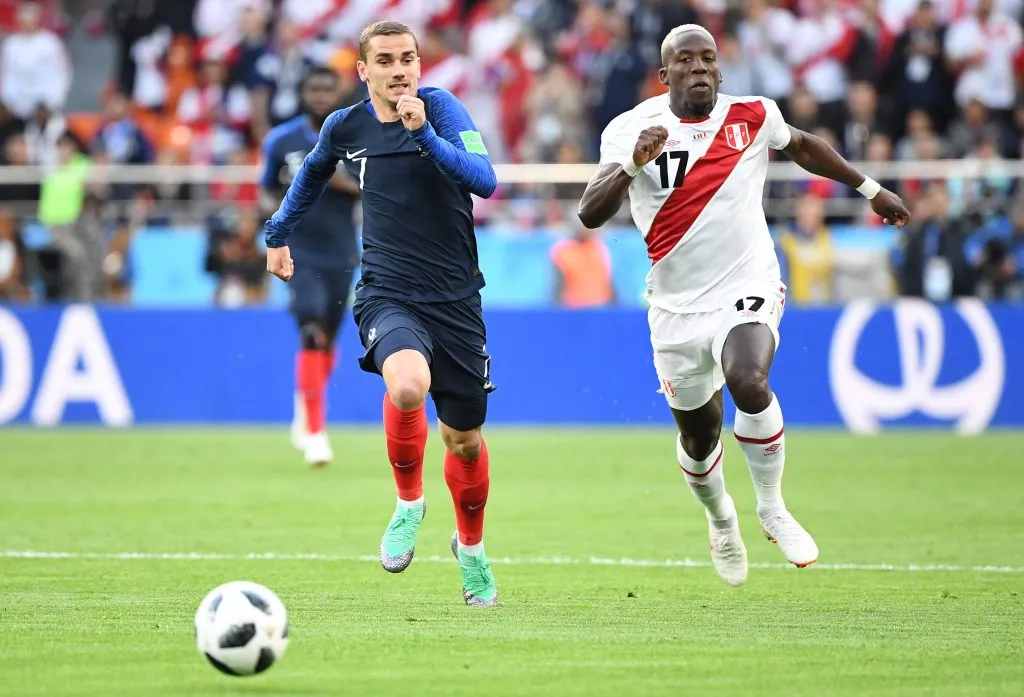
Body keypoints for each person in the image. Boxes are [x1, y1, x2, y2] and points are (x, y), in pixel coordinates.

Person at [578, 24, 910, 588]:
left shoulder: (753, 115)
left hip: (746, 281)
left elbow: (803, 146)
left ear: (720, 68)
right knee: (699, 437)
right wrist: (633, 164)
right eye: (686, 61)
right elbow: (590, 212)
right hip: (676, 306)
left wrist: (871, 190)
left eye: (708, 59)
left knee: (748, 379)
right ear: (665, 75)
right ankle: (721, 517)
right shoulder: (630, 128)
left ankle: (772, 506)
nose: (700, 68)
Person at [264, 21, 500, 607]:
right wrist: (277, 233)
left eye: (409, 59)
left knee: (465, 440)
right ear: (363, 71)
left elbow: (485, 182)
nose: (401, 70)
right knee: (406, 385)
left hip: (456, 300)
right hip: (387, 291)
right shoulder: (346, 126)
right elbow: (314, 171)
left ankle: (470, 548)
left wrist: (426, 137)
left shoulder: (442, 110)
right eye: (387, 61)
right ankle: (409, 503)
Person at [260, 65, 361, 468]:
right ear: (303, 94)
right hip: (299, 251)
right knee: (311, 330)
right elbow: (266, 190)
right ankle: (317, 433)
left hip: (340, 253)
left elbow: (369, 187)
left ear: (338, 94)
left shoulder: (353, 139)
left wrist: (340, 182)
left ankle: (307, 403)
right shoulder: (282, 140)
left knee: (329, 340)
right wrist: (278, 221)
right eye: (313, 89)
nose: (320, 95)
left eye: (327, 89)